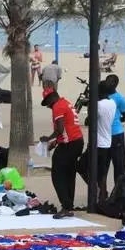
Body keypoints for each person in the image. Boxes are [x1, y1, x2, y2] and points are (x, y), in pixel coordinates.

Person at [39, 88, 84, 219]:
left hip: (69, 145)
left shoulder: (57, 107)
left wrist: (48, 138)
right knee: (70, 174)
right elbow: (67, 129)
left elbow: (60, 128)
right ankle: (69, 205)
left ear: (52, 98)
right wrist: (55, 143)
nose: (48, 106)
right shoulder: (66, 103)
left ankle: (66, 206)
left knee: (57, 174)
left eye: (47, 103)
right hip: (77, 141)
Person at [77, 81, 116, 202]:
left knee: (81, 166)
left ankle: (95, 189)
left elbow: (88, 121)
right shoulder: (112, 103)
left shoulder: (97, 105)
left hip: (97, 144)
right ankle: (103, 195)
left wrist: (90, 105)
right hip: (107, 142)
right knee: (102, 173)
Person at [104, 74, 125, 185]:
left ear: (116, 84)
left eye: (111, 82)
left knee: (119, 165)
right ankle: (102, 191)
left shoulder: (120, 99)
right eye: (107, 81)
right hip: (104, 135)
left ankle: (118, 190)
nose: (108, 84)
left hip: (116, 134)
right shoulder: (102, 96)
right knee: (103, 165)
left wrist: (115, 120)